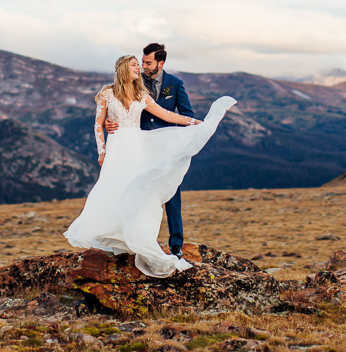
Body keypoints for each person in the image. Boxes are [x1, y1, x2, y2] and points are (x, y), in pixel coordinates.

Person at [64, 55, 236, 278]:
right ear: (124, 68)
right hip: (117, 147)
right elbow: (98, 123)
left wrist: (195, 123)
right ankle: (113, 235)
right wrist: (102, 150)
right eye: (135, 65)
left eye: (140, 64)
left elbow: (165, 115)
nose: (139, 69)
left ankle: (134, 236)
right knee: (113, 187)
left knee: (136, 190)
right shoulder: (106, 93)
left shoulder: (141, 94)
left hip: (137, 146)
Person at [104, 43, 191, 258]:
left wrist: (178, 138)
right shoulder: (134, 80)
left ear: (160, 63)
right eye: (141, 62)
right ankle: (135, 239)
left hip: (166, 148)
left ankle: (176, 244)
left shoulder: (175, 84)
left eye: (148, 62)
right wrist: (109, 122)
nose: (143, 66)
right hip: (139, 146)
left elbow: (184, 113)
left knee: (171, 193)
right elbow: (119, 107)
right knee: (136, 190)